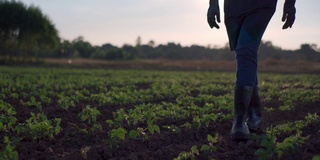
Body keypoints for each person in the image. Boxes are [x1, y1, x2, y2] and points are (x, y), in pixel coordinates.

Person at [207, 0, 296, 140]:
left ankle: (239, 120)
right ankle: (255, 115)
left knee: (245, 49)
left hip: (261, 5)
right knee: (243, 55)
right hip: (233, 7)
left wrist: (290, 3)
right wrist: (213, 4)